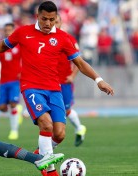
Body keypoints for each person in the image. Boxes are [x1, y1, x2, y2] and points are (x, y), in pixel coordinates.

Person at [0, 1, 114, 175]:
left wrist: (99, 80)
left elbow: (80, 63)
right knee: (46, 125)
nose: (48, 23)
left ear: (56, 19)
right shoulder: (23, 32)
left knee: (59, 134)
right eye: (44, 19)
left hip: (54, 89)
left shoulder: (63, 38)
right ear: (37, 16)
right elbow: (2, 47)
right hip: (31, 87)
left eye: (52, 20)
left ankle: (41, 152)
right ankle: (49, 170)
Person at [55, 14, 87, 147]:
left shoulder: (69, 39)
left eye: (56, 21)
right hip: (49, 81)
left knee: (66, 110)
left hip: (64, 81)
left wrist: (72, 76)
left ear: (61, 23)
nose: (53, 24)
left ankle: (79, 128)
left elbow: (78, 61)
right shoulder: (43, 39)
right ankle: (49, 146)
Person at [0, 23, 22, 140]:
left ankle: (14, 131)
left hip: (15, 80)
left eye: (10, 30)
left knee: (13, 104)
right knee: (2, 107)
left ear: (14, 31)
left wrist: (23, 71)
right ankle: (17, 110)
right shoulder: (1, 45)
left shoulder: (19, 46)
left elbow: (25, 59)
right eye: (6, 30)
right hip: (3, 80)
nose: (8, 32)